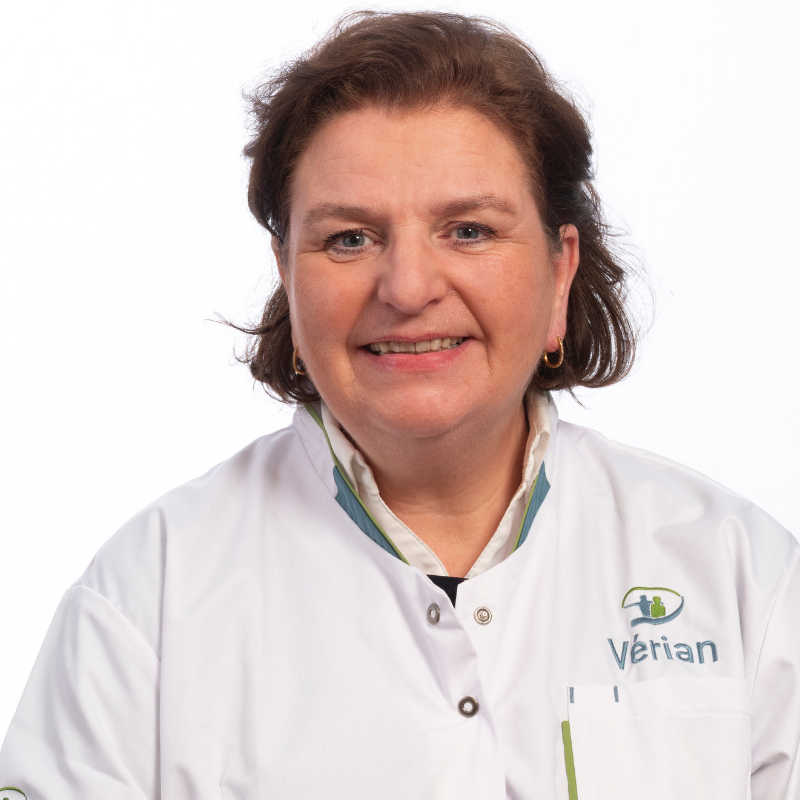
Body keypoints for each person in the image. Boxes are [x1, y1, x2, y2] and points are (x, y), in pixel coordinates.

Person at [1, 10, 797, 799]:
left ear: (559, 274)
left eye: (469, 230)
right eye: (350, 238)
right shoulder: (148, 597)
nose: (409, 288)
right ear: (287, 275)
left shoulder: (742, 576)